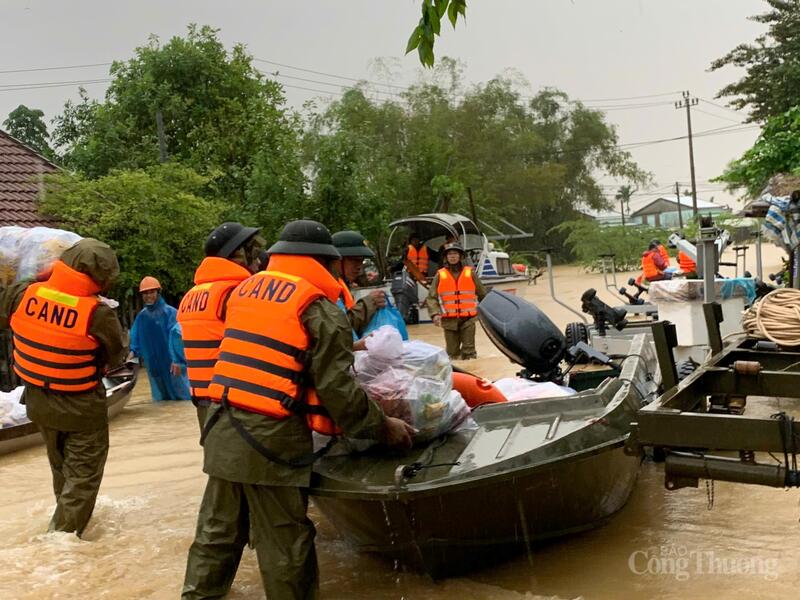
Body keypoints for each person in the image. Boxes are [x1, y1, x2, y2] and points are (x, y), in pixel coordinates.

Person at [182, 219, 414, 600]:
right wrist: (383, 426)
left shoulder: (246, 291)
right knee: (286, 542)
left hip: (220, 425)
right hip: (270, 439)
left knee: (217, 530)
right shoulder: (317, 308)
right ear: (323, 262)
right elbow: (339, 393)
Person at [0, 239, 126, 536]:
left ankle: (67, 523)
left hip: (39, 404)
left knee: (62, 470)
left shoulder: (24, 293)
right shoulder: (97, 313)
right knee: (82, 479)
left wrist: (42, 279)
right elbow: (116, 354)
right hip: (81, 408)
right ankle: (59, 542)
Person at [178, 222, 261, 432]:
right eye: (253, 253)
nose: (259, 261)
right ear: (237, 255)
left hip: (204, 399)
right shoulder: (235, 294)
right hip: (233, 403)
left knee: (217, 461)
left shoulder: (193, 293)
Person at [129, 276, 190, 401]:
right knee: (160, 400)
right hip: (153, 365)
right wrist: (133, 352)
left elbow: (178, 337)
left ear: (158, 292)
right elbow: (136, 336)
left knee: (182, 397)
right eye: (145, 293)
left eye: (151, 292)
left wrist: (177, 360)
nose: (148, 295)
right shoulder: (142, 316)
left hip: (172, 364)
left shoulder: (171, 313)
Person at [426, 242, 488, 360]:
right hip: (449, 321)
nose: (452, 256)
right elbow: (431, 297)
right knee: (452, 354)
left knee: (469, 353)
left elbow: (482, 294)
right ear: (446, 257)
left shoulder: (470, 273)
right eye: (449, 254)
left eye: (455, 253)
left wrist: (488, 314)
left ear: (460, 256)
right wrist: (435, 314)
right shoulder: (440, 275)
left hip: (468, 319)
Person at [331, 230, 386, 346]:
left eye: (361, 261)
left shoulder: (341, 283)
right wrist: (370, 302)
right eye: (354, 260)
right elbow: (339, 328)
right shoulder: (327, 288)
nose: (359, 267)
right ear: (336, 259)